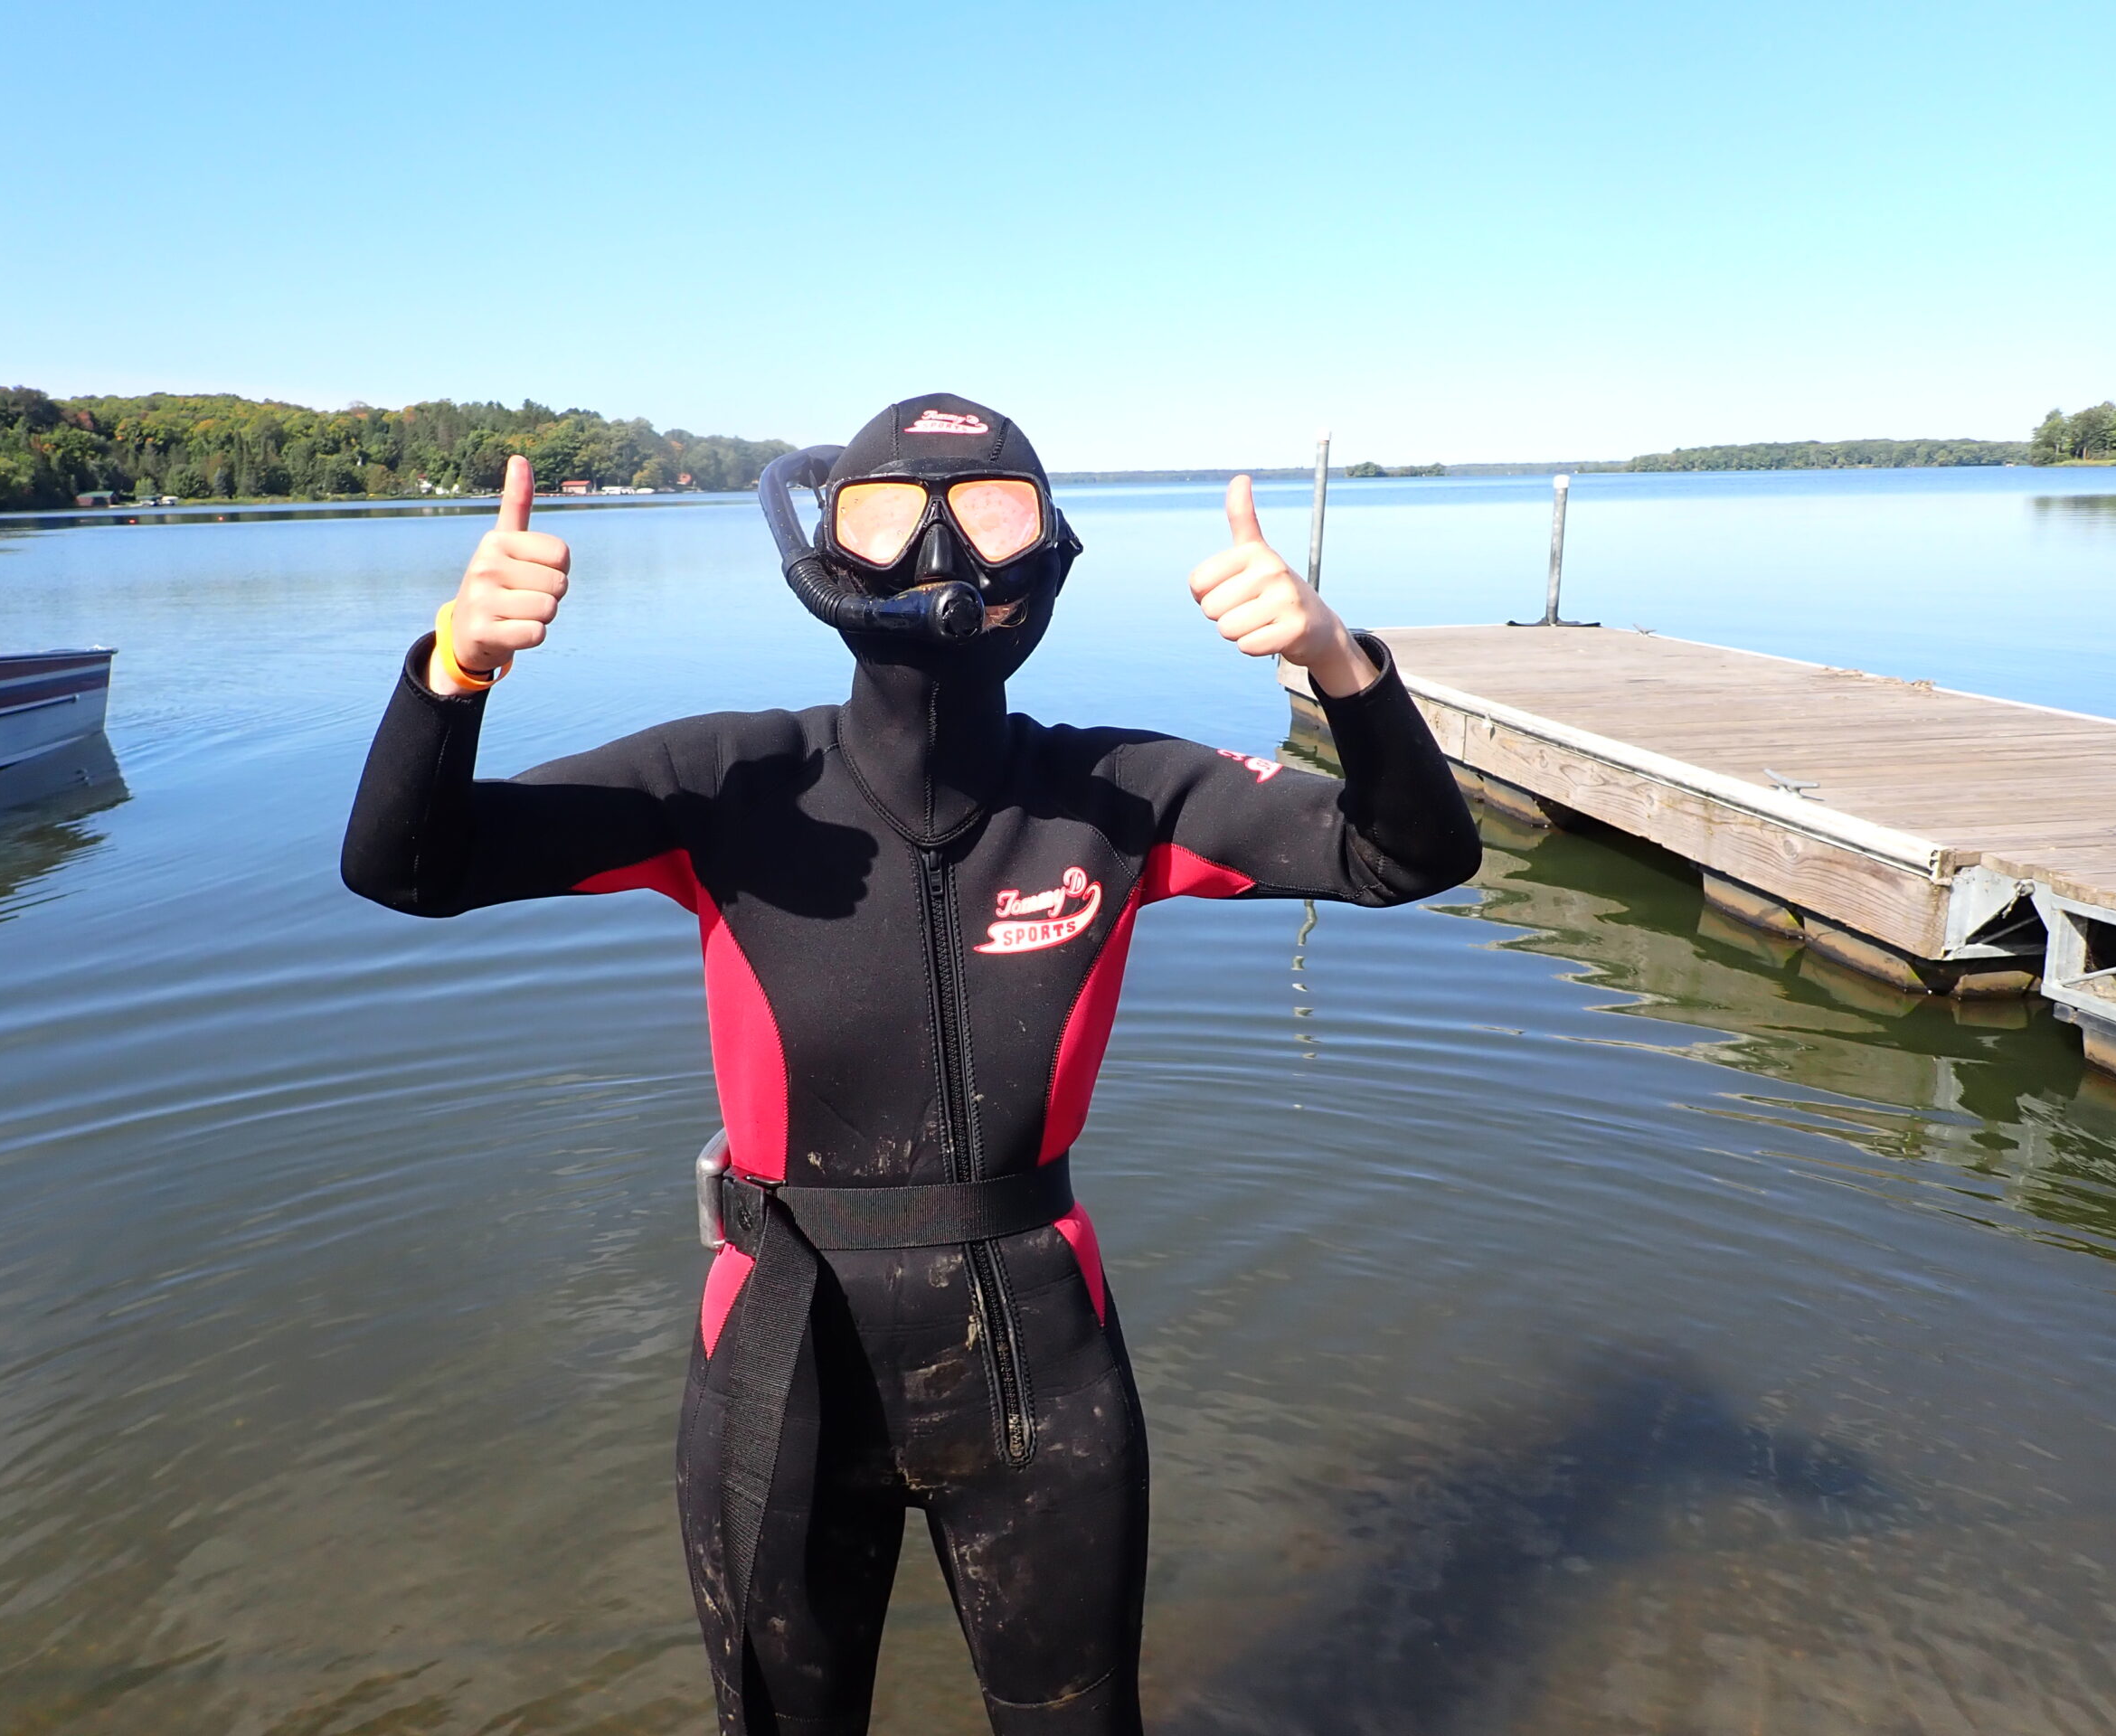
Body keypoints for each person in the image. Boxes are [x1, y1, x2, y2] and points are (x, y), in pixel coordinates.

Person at [342, 394, 1480, 1733]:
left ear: (1045, 555)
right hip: (785, 1348)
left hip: (1038, 1360)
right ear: (829, 554)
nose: (942, 558)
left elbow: (1406, 855)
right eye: (889, 521)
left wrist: (1337, 662)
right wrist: (453, 668)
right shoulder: (725, 781)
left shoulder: (1123, 794)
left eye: (989, 518)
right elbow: (410, 868)